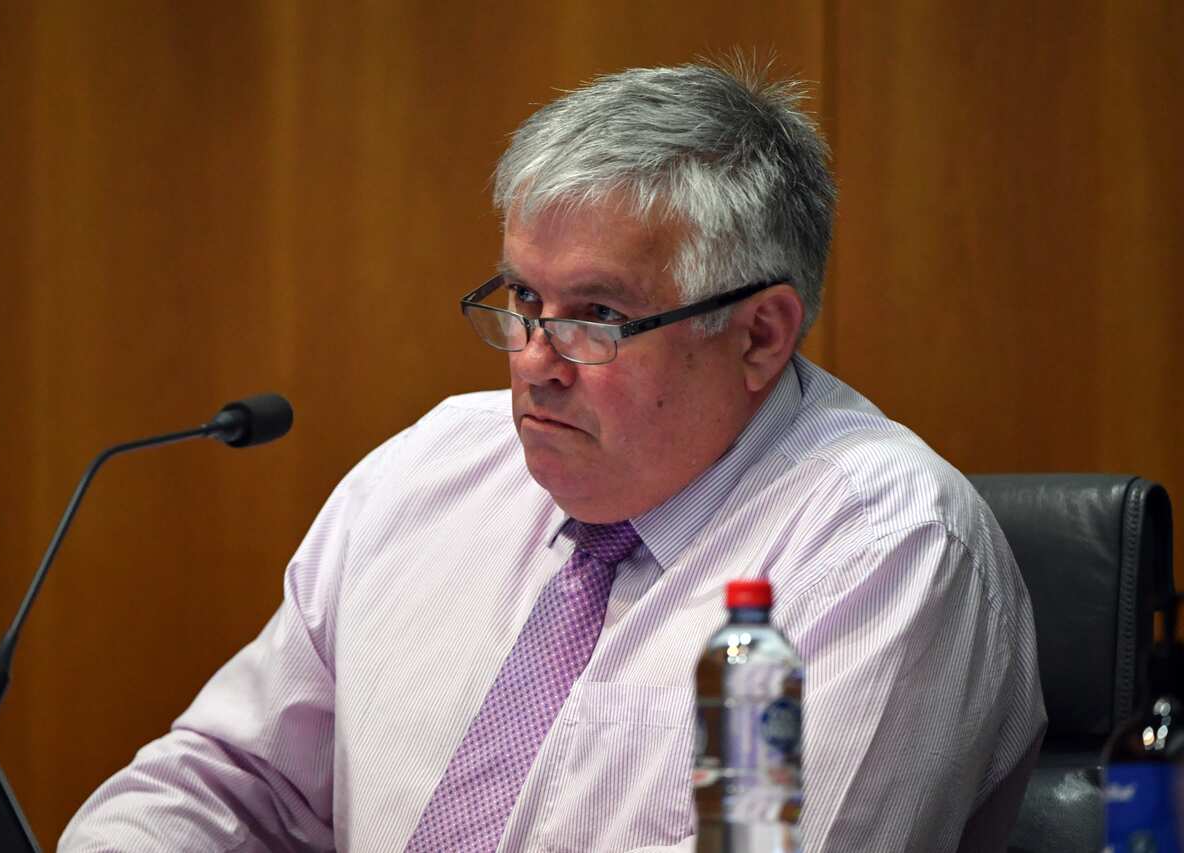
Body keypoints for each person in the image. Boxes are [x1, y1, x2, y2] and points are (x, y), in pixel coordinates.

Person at [60, 62, 1045, 852]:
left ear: (757, 336)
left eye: (597, 317)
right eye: (522, 300)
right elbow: (233, 777)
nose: (532, 361)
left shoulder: (879, 548)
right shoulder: (431, 467)